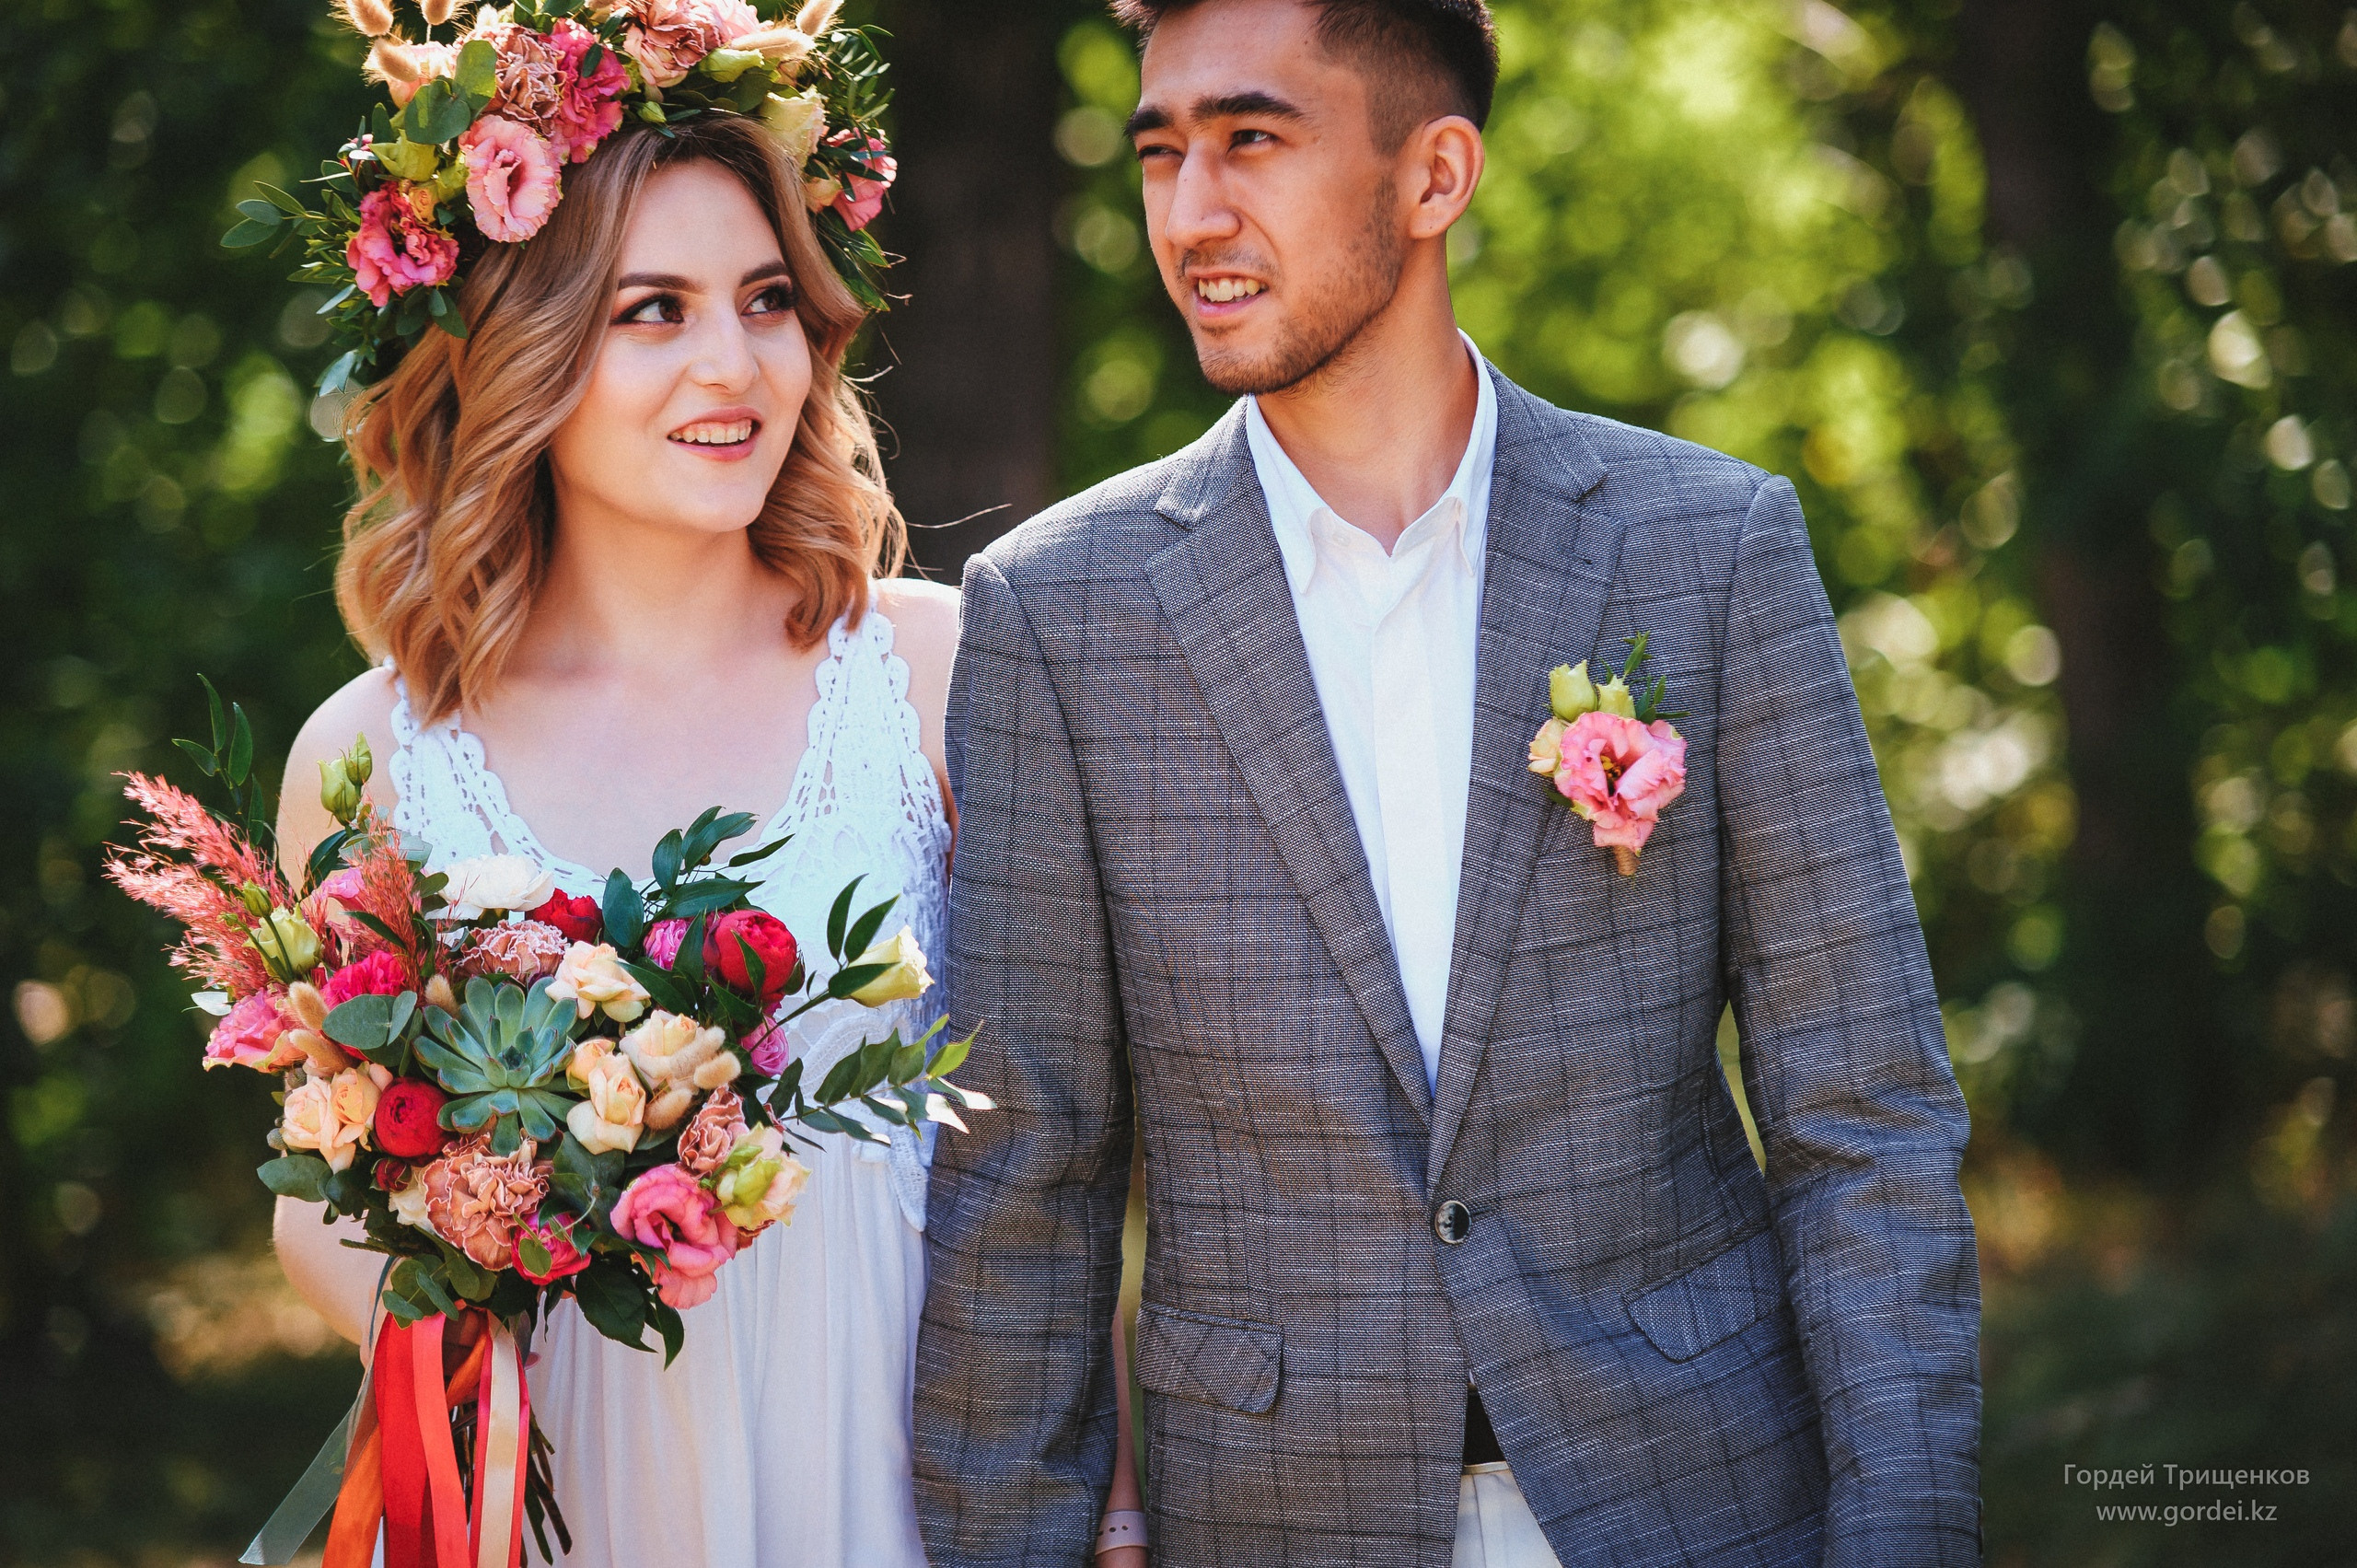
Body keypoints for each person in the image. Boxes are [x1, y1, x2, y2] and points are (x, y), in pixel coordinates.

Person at [913, 1, 1982, 1565]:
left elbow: (1864, 1120)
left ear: (1435, 175)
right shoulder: (1060, 615)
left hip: (1700, 1499)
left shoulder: (1707, 551)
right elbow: (1029, 1177)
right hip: (1284, 1518)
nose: (1190, 213)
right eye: (1161, 153)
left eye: (1252, 141)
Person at [262, 107, 1150, 1563]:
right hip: (561, 1498)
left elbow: (1057, 1147)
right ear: (517, 344)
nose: (733, 365)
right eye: (651, 311)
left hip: (907, 1484)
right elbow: (315, 1196)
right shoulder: (368, 758)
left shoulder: (941, 677)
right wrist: (503, 1279)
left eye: (767, 301)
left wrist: (1113, 1510)